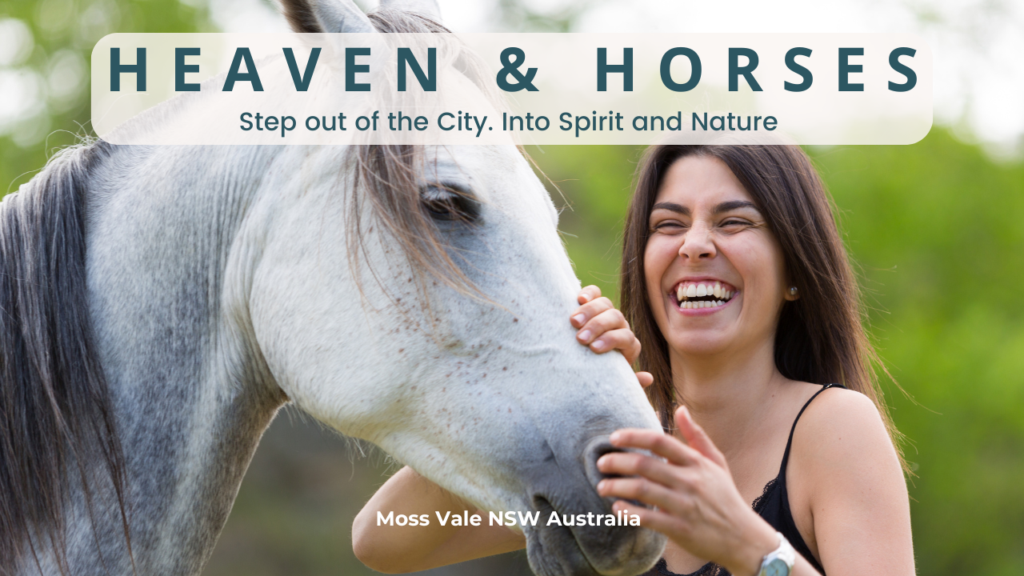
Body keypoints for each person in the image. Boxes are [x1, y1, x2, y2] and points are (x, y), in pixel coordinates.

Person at [351, 145, 915, 576]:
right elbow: (386, 538)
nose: (693, 244)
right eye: (668, 225)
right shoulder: (619, 451)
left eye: (733, 222)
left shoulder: (834, 429)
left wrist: (747, 544)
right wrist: (558, 391)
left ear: (794, 271)